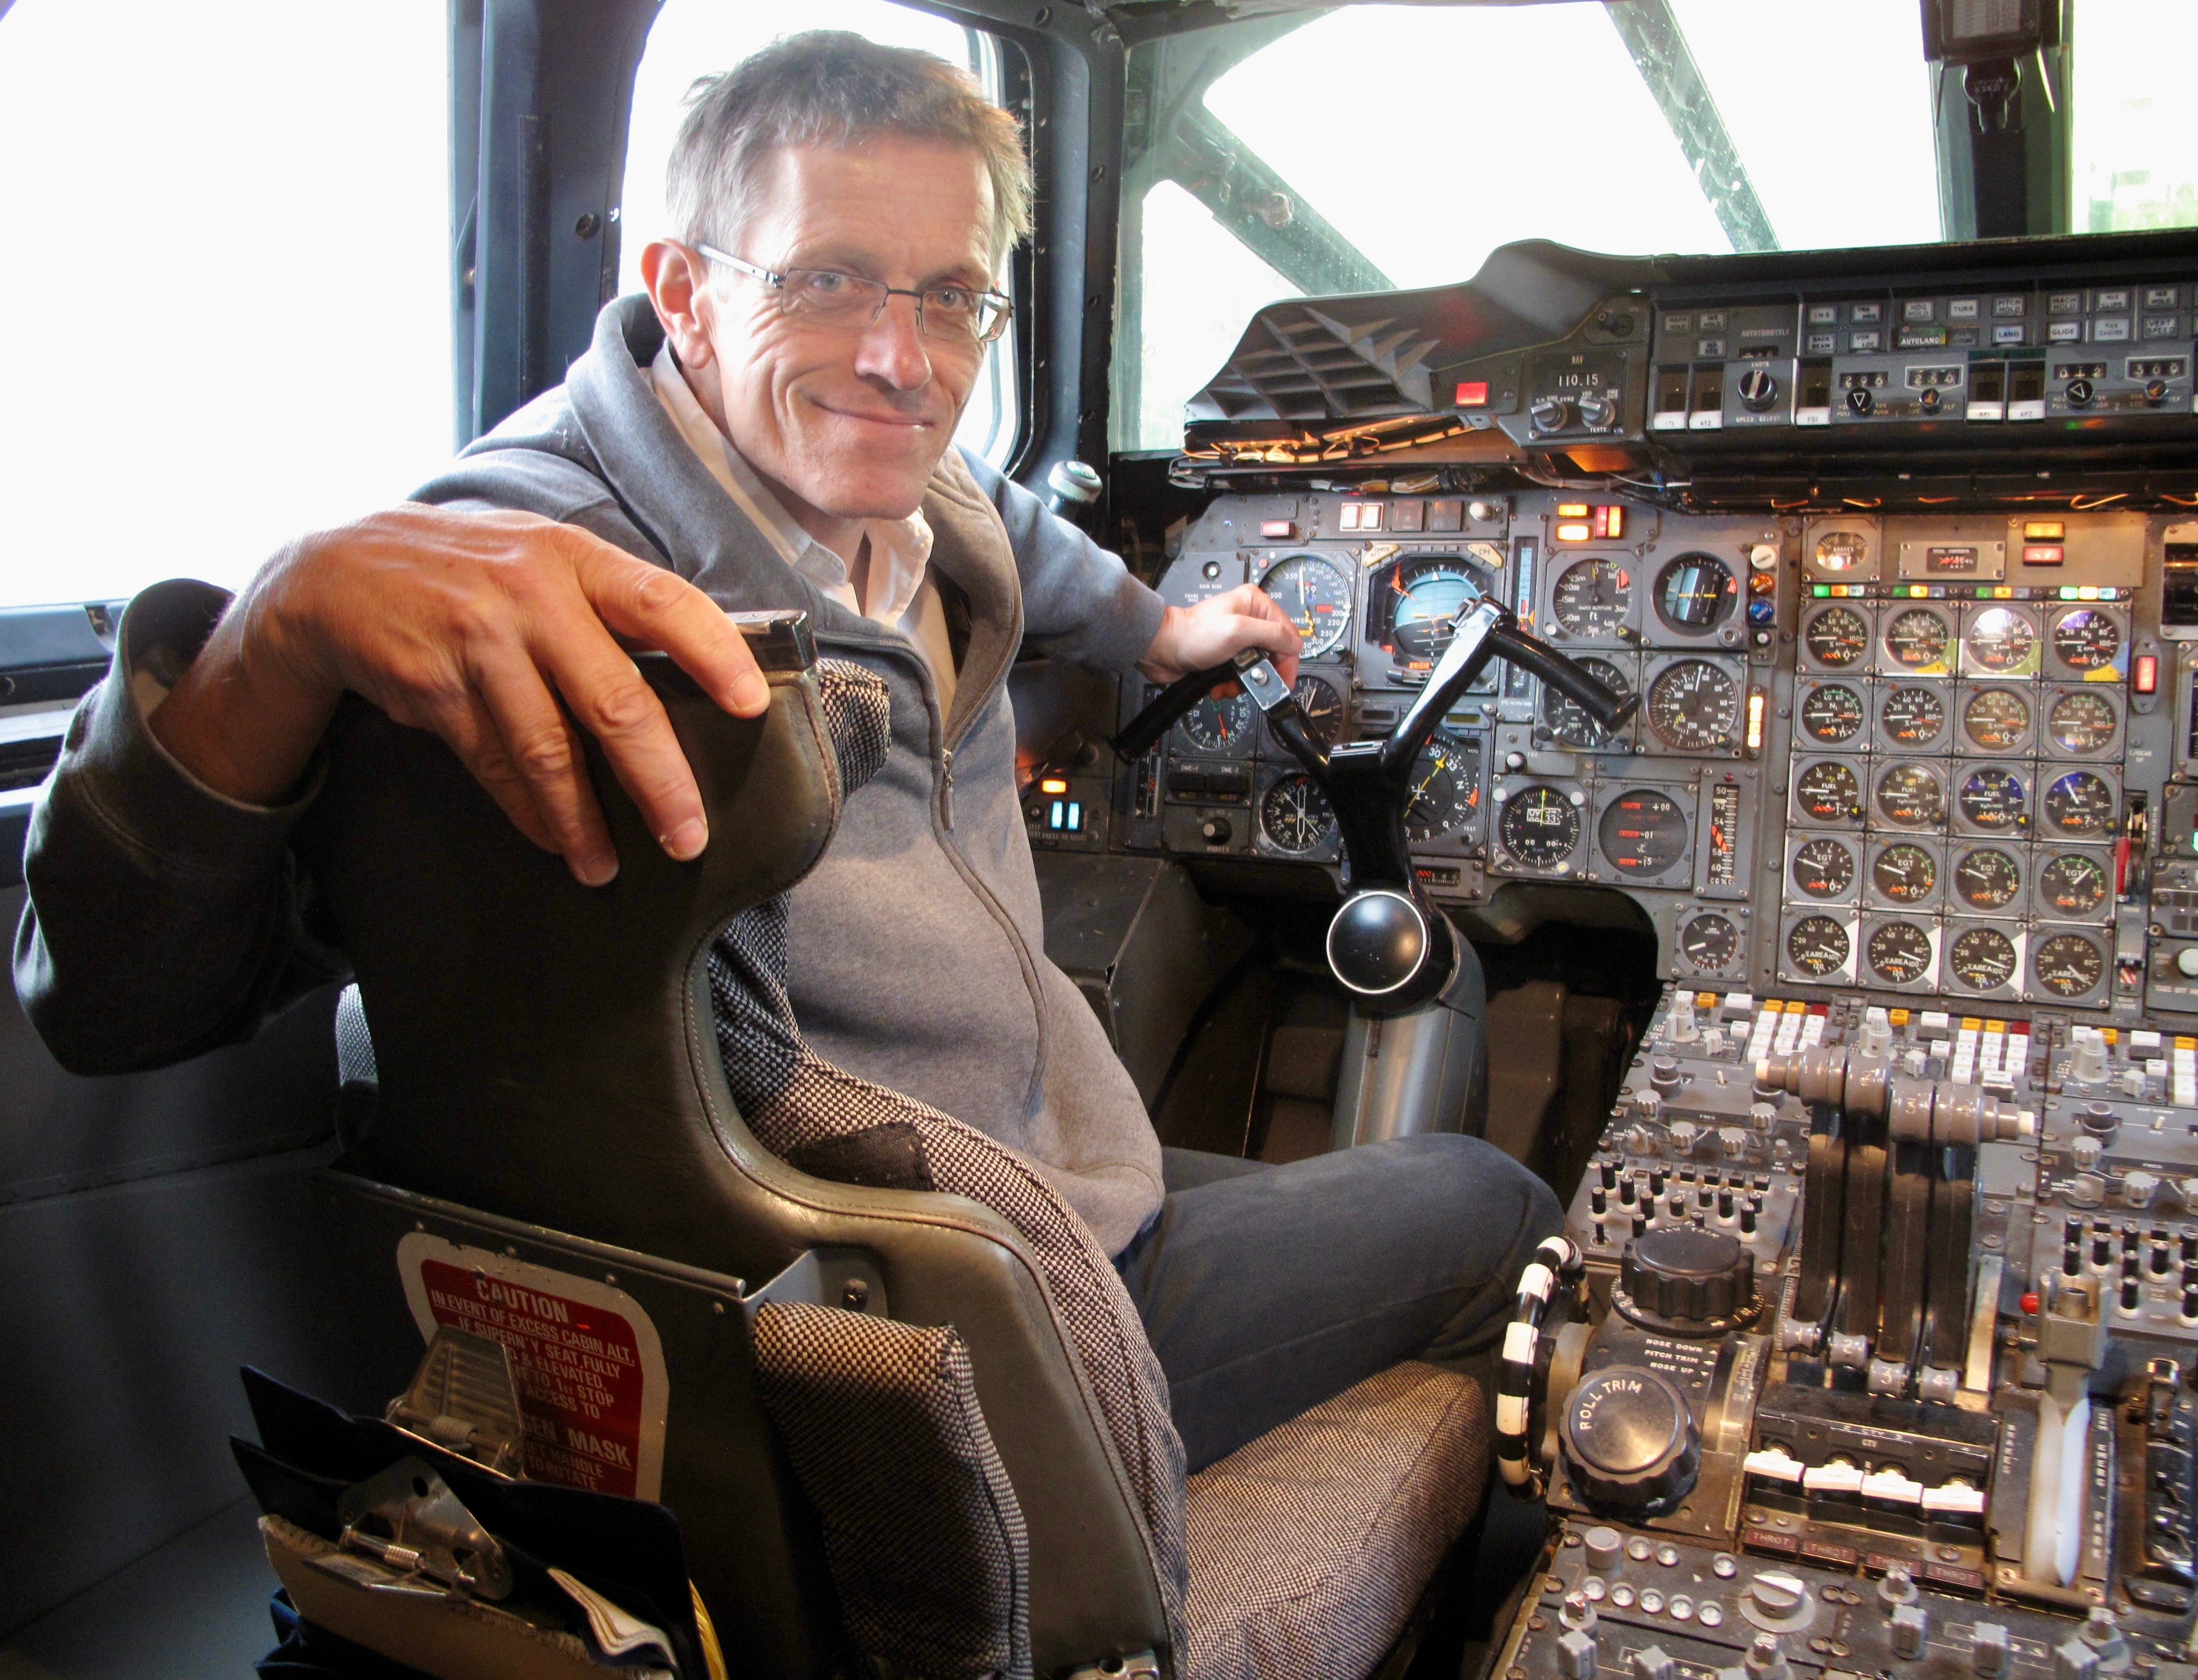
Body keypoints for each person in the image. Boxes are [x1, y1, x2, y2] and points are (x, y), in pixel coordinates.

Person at [13, 30, 1557, 1472]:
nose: (902, 357)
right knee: (1497, 1205)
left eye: (952, 296)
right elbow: (116, 993)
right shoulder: (532, 578)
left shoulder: (896, 474)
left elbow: (1005, 523)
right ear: (682, 290)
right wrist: (266, 632)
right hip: (911, 1329)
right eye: (827, 279)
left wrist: (1164, 633)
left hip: (1046, 1182)